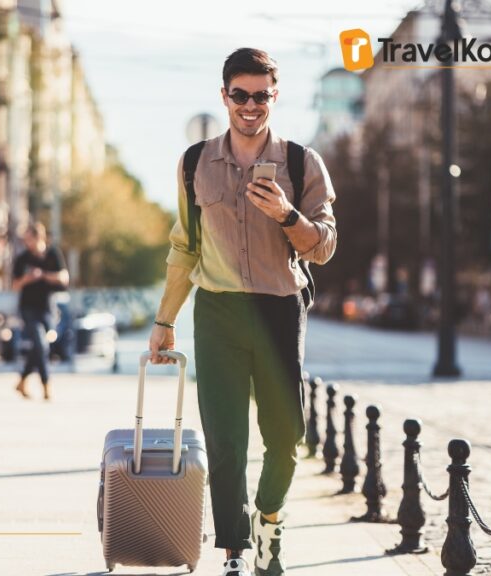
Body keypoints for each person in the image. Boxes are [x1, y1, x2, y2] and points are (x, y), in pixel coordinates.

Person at [148, 48, 337, 576]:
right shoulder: (194, 163)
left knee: (285, 435)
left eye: (261, 96)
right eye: (240, 95)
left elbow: (324, 245)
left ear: (275, 97)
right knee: (225, 438)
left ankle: (268, 519)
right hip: (218, 313)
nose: (250, 106)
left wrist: (287, 214)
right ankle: (235, 550)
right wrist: (164, 321)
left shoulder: (303, 163)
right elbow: (184, 248)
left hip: (279, 310)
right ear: (224, 95)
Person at [12, 222, 69, 400]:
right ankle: (46, 385)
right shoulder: (22, 259)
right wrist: (28, 278)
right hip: (28, 308)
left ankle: (22, 380)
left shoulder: (53, 254)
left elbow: (64, 278)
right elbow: (14, 285)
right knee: (40, 343)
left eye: (29, 239)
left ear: (39, 237)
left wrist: (43, 275)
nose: (27, 243)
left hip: (48, 308)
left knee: (40, 346)